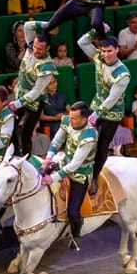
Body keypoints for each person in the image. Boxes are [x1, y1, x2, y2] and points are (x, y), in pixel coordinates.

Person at [77, 30, 130, 195]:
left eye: (110, 51)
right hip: (96, 106)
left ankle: (94, 178)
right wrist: (95, 31)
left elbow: (112, 99)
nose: (106, 54)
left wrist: (95, 115)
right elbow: (82, 42)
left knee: (101, 146)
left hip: (111, 114)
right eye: (104, 51)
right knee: (85, 139)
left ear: (117, 50)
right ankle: (79, 170)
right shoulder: (99, 58)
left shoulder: (122, 74)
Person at [41, 102, 98, 246]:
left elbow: (74, 165)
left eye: (74, 118)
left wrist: (51, 178)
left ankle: (75, 236)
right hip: (64, 161)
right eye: (70, 117)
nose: (70, 120)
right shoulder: (67, 121)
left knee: (73, 211)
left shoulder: (89, 136)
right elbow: (58, 140)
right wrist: (48, 158)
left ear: (84, 120)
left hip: (80, 173)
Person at [8, 21, 56, 157]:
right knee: (12, 130)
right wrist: (48, 25)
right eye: (35, 47)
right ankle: (13, 157)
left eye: (40, 49)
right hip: (20, 95)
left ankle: (25, 161)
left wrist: (17, 104)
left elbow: (37, 91)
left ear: (47, 48)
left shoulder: (47, 66)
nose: (36, 51)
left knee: (25, 134)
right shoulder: (30, 48)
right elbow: (28, 26)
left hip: (34, 103)